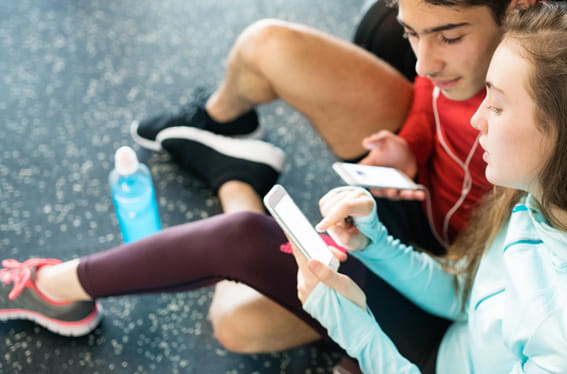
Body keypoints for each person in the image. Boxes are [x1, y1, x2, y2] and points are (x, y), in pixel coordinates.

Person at [1, 0, 534, 362]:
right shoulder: (456, 61)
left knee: (237, 322)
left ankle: (235, 176)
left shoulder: (553, 122)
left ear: (519, 7)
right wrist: (410, 147)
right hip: (411, 202)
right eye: (411, 33)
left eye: (449, 35)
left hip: (455, 287)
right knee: (268, 43)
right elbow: (429, 97)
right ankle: (222, 126)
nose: (424, 63)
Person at [293, 1, 567, 372]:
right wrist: (372, 242)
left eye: (496, 105)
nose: (476, 119)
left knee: (262, 262)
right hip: (456, 345)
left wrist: (358, 335)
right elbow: (464, 294)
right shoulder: (538, 198)